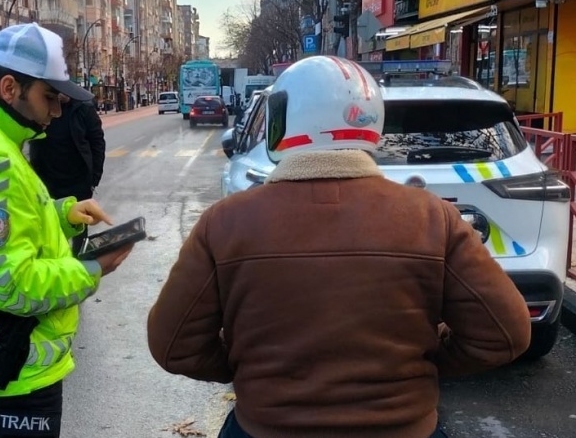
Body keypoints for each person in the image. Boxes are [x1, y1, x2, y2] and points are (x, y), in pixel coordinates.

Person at [146, 56, 531, 438]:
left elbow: (173, 345)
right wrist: (423, 361)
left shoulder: (225, 221)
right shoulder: (432, 217)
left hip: (267, 427)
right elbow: (506, 334)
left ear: (281, 120)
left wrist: (248, 366)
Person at [0, 23, 134, 438]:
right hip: (11, 369)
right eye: (49, 97)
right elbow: (11, 286)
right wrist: (91, 267)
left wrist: (63, 214)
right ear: (9, 87)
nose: (55, 110)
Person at [28, 97, 106, 254]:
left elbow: (97, 142)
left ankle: (79, 267)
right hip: (47, 182)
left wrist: (94, 179)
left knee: (80, 235)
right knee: (50, 231)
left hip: (79, 183)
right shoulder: (42, 105)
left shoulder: (83, 108)